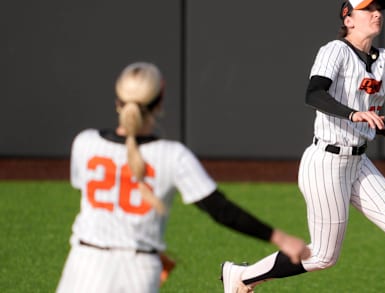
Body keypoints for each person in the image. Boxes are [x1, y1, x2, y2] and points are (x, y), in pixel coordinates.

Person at [221, 0, 385, 292]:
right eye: (367, 9)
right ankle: (241, 275)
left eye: (379, 8)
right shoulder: (335, 51)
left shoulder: (382, 59)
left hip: (359, 163)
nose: (376, 14)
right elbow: (314, 94)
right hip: (326, 163)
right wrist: (354, 114)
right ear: (348, 19)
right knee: (323, 255)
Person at [56, 62, 309, 293]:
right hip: (138, 269)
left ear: (118, 101)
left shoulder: (84, 143)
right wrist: (280, 238)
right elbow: (220, 209)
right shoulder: (172, 156)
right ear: (161, 99)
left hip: (84, 264)